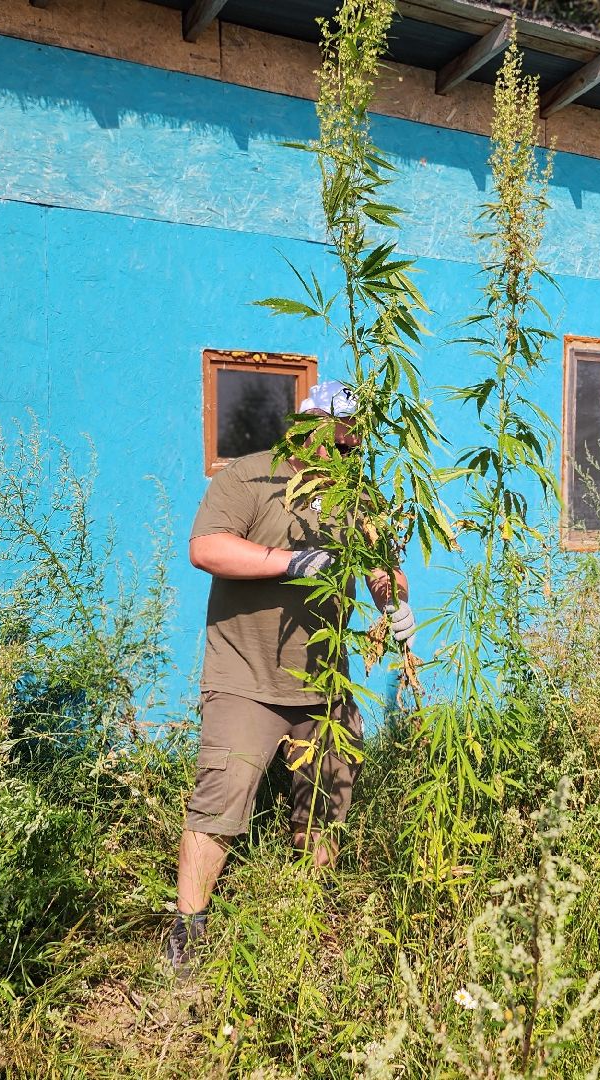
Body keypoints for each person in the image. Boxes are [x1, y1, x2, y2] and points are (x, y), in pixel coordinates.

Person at [164, 380, 414, 972]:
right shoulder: (250, 477)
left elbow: (385, 569)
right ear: (308, 430)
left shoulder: (360, 496)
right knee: (220, 803)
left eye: (357, 446)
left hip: (327, 682)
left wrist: (393, 598)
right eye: (341, 442)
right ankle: (187, 937)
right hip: (245, 677)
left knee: (327, 803)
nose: (351, 455)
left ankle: (308, 925)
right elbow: (206, 548)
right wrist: (292, 562)